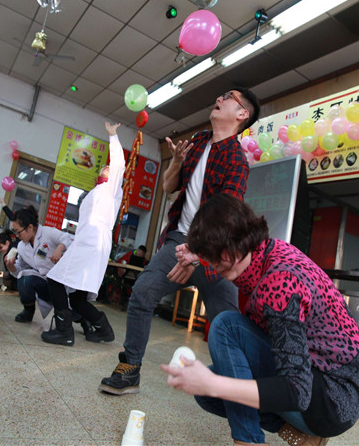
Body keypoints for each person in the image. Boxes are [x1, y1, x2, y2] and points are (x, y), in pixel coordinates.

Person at [162, 194, 359, 445]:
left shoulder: (280, 282)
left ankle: (248, 441)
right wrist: (198, 255)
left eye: (217, 253)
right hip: (327, 383)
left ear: (239, 240)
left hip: (334, 397)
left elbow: (297, 391)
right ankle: (301, 436)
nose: (214, 263)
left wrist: (214, 384)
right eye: (209, 255)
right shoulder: (264, 253)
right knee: (207, 394)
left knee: (226, 328)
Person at [100, 88, 260, 395]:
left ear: (242, 114)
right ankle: (130, 368)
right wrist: (175, 162)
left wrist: (197, 255)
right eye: (221, 94)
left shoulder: (237, 160)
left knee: (227, 324)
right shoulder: (197, 141)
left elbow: (227, 218)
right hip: (179, 239)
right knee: (143, 291)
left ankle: (241, 389)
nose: (219, 98)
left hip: (215, 253)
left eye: (228, 97)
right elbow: (167, 187)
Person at [43, 121, 125, 346]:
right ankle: (104, 330)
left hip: (92, 243)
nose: (107, 167)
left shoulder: (111, 190)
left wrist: (113, 136)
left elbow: (119, 165)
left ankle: (64, 332)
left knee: (55, 280)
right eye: (104, 167)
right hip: (88, 242)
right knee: (77, 297)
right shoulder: (95, 192)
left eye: (109, 167)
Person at [5, 206, 74, 324]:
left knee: (74, 309)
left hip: (62, 283)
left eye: (18, 232)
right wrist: (12, 268)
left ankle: (85, 321)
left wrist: (60, 248)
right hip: (45, 283)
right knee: (24, 280)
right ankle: (28, 311)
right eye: (15, 232)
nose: (17, 236)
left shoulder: (47, 233)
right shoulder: (22, 246)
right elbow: (20, 269)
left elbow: (67, 238)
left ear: (30, 227)